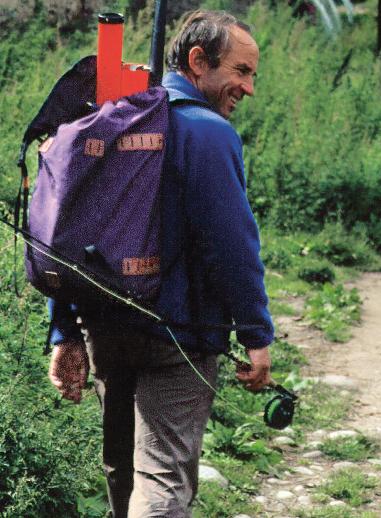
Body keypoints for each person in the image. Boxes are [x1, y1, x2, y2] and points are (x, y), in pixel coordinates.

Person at [46, 10, 274, 518]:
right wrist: (256, 334)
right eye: (241, 71)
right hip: (180, 335)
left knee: (121, 472)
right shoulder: (208, 133)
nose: (248, 87)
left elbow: (66, 232)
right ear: (198, 61)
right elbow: (231, 244)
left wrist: (64, 330)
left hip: (103, 326)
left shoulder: (109, 116)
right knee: (165, 477)